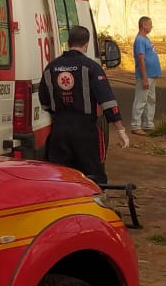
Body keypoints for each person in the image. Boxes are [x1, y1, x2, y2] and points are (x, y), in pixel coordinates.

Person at [40, 25, 129, 183]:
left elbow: (44, 101)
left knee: (61, 175)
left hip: (59, 131)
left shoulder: (51, 67)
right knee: (93, 176)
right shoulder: (91, 67)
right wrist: (120, 129)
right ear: (86, 44)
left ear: (68, 42)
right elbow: (107, 101)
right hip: (85, 132)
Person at [131, 16, 161, 134]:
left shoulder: (146, 39)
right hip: (146, 76)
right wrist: (144, 78)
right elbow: (141, 59)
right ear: (144, 25)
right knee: (141, 100)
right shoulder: (139, 40)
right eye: (150, 24)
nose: (151, 26)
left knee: (150, 100)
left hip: (152, 75)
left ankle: (148, 124)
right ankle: (136, 125)